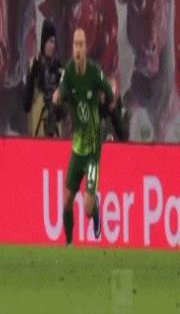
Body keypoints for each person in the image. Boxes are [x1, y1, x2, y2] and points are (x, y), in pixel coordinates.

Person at [52, 28, 116, 246]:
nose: (77, 49)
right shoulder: (69, 72)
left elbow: (110, 94)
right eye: (75, 44)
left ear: (86, 48)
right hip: (77, 150)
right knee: (66, 202)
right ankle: (69, 244)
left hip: (92, 152)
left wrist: (107, 99)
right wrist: (57, 96)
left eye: (81, 44)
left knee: (87, 207)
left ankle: (95, 211)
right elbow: (60, 91)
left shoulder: (94, 72)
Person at [24, 19, 64, 137]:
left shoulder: (59, 66)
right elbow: (26, 103)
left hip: (55, 127)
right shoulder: (34, 64)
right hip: (38, 127)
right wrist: (33, 74)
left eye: (54, 42)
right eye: (49, 41)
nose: (52, 46)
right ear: (43, 42)